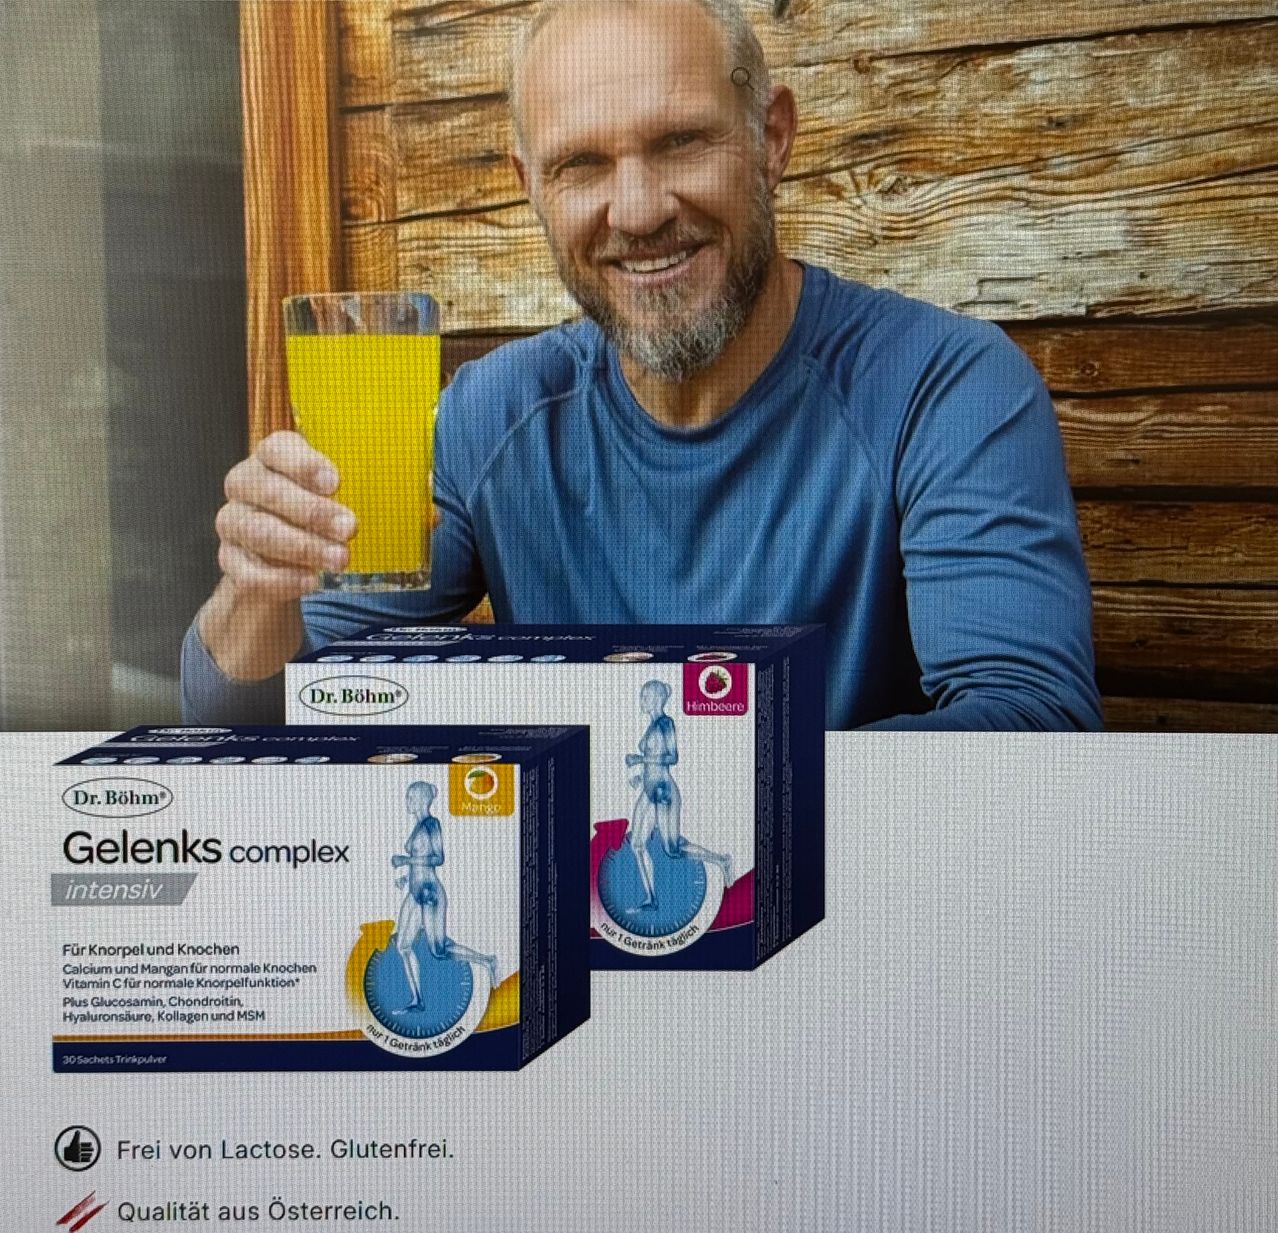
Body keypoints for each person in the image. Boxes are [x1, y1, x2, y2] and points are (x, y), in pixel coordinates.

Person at [182, 0, 1101, 731]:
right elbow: (257, 713)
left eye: (680, 141)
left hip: (857, 929)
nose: (638, 208)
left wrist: (656, 767)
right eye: (582, 163)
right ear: (529, 184)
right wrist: (257, 594)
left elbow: (1029, 723)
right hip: (569, 925)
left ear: (770, 139)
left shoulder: (945, 387)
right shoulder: (491, 412)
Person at [625, 679, 732, 911]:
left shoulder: (665, 723)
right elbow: (652, 764)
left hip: (664, 790)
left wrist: (640, 759)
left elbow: (672, 757)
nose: (641, 700)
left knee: (672, 850)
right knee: (637, 845)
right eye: (642, 696)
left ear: (657, 699)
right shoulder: (652, 725)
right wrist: (640, 776)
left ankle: (722, 860)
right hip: (649, 788)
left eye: (645, 696)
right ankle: (651, 900)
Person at [392, 780, 498, 1010]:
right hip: (415, 890)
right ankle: (418, 1000)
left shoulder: (432, 824)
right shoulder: (418, 826)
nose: (407, 802)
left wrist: (405, 860)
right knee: (402, 945)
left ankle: (488, 960)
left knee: (439, 951)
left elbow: (438, 858)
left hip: (430, 892)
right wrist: (407, 876)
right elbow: (421, 864)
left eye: (410, 797)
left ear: (421, 799)